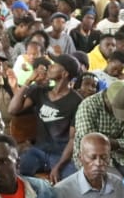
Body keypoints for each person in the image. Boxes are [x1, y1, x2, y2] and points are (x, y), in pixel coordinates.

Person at [9, 53, 81, 182]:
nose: (50, 67)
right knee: (16, 173)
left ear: (64, 74)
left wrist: (59, 166)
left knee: (73, 181)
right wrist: (29, 81)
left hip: (60, 155)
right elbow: (13, 109)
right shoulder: (40, 91)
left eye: (54, 65)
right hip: (38, 151)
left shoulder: (76, 102)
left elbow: (73, 139)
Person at [73, 79, 124, 176]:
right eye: (117, 109)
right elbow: (91, 144)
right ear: (107, 98)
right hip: (92, 159)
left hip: (117, 157)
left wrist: (112, 143)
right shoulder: (88, 106)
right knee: (116, 183)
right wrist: (116, 143)